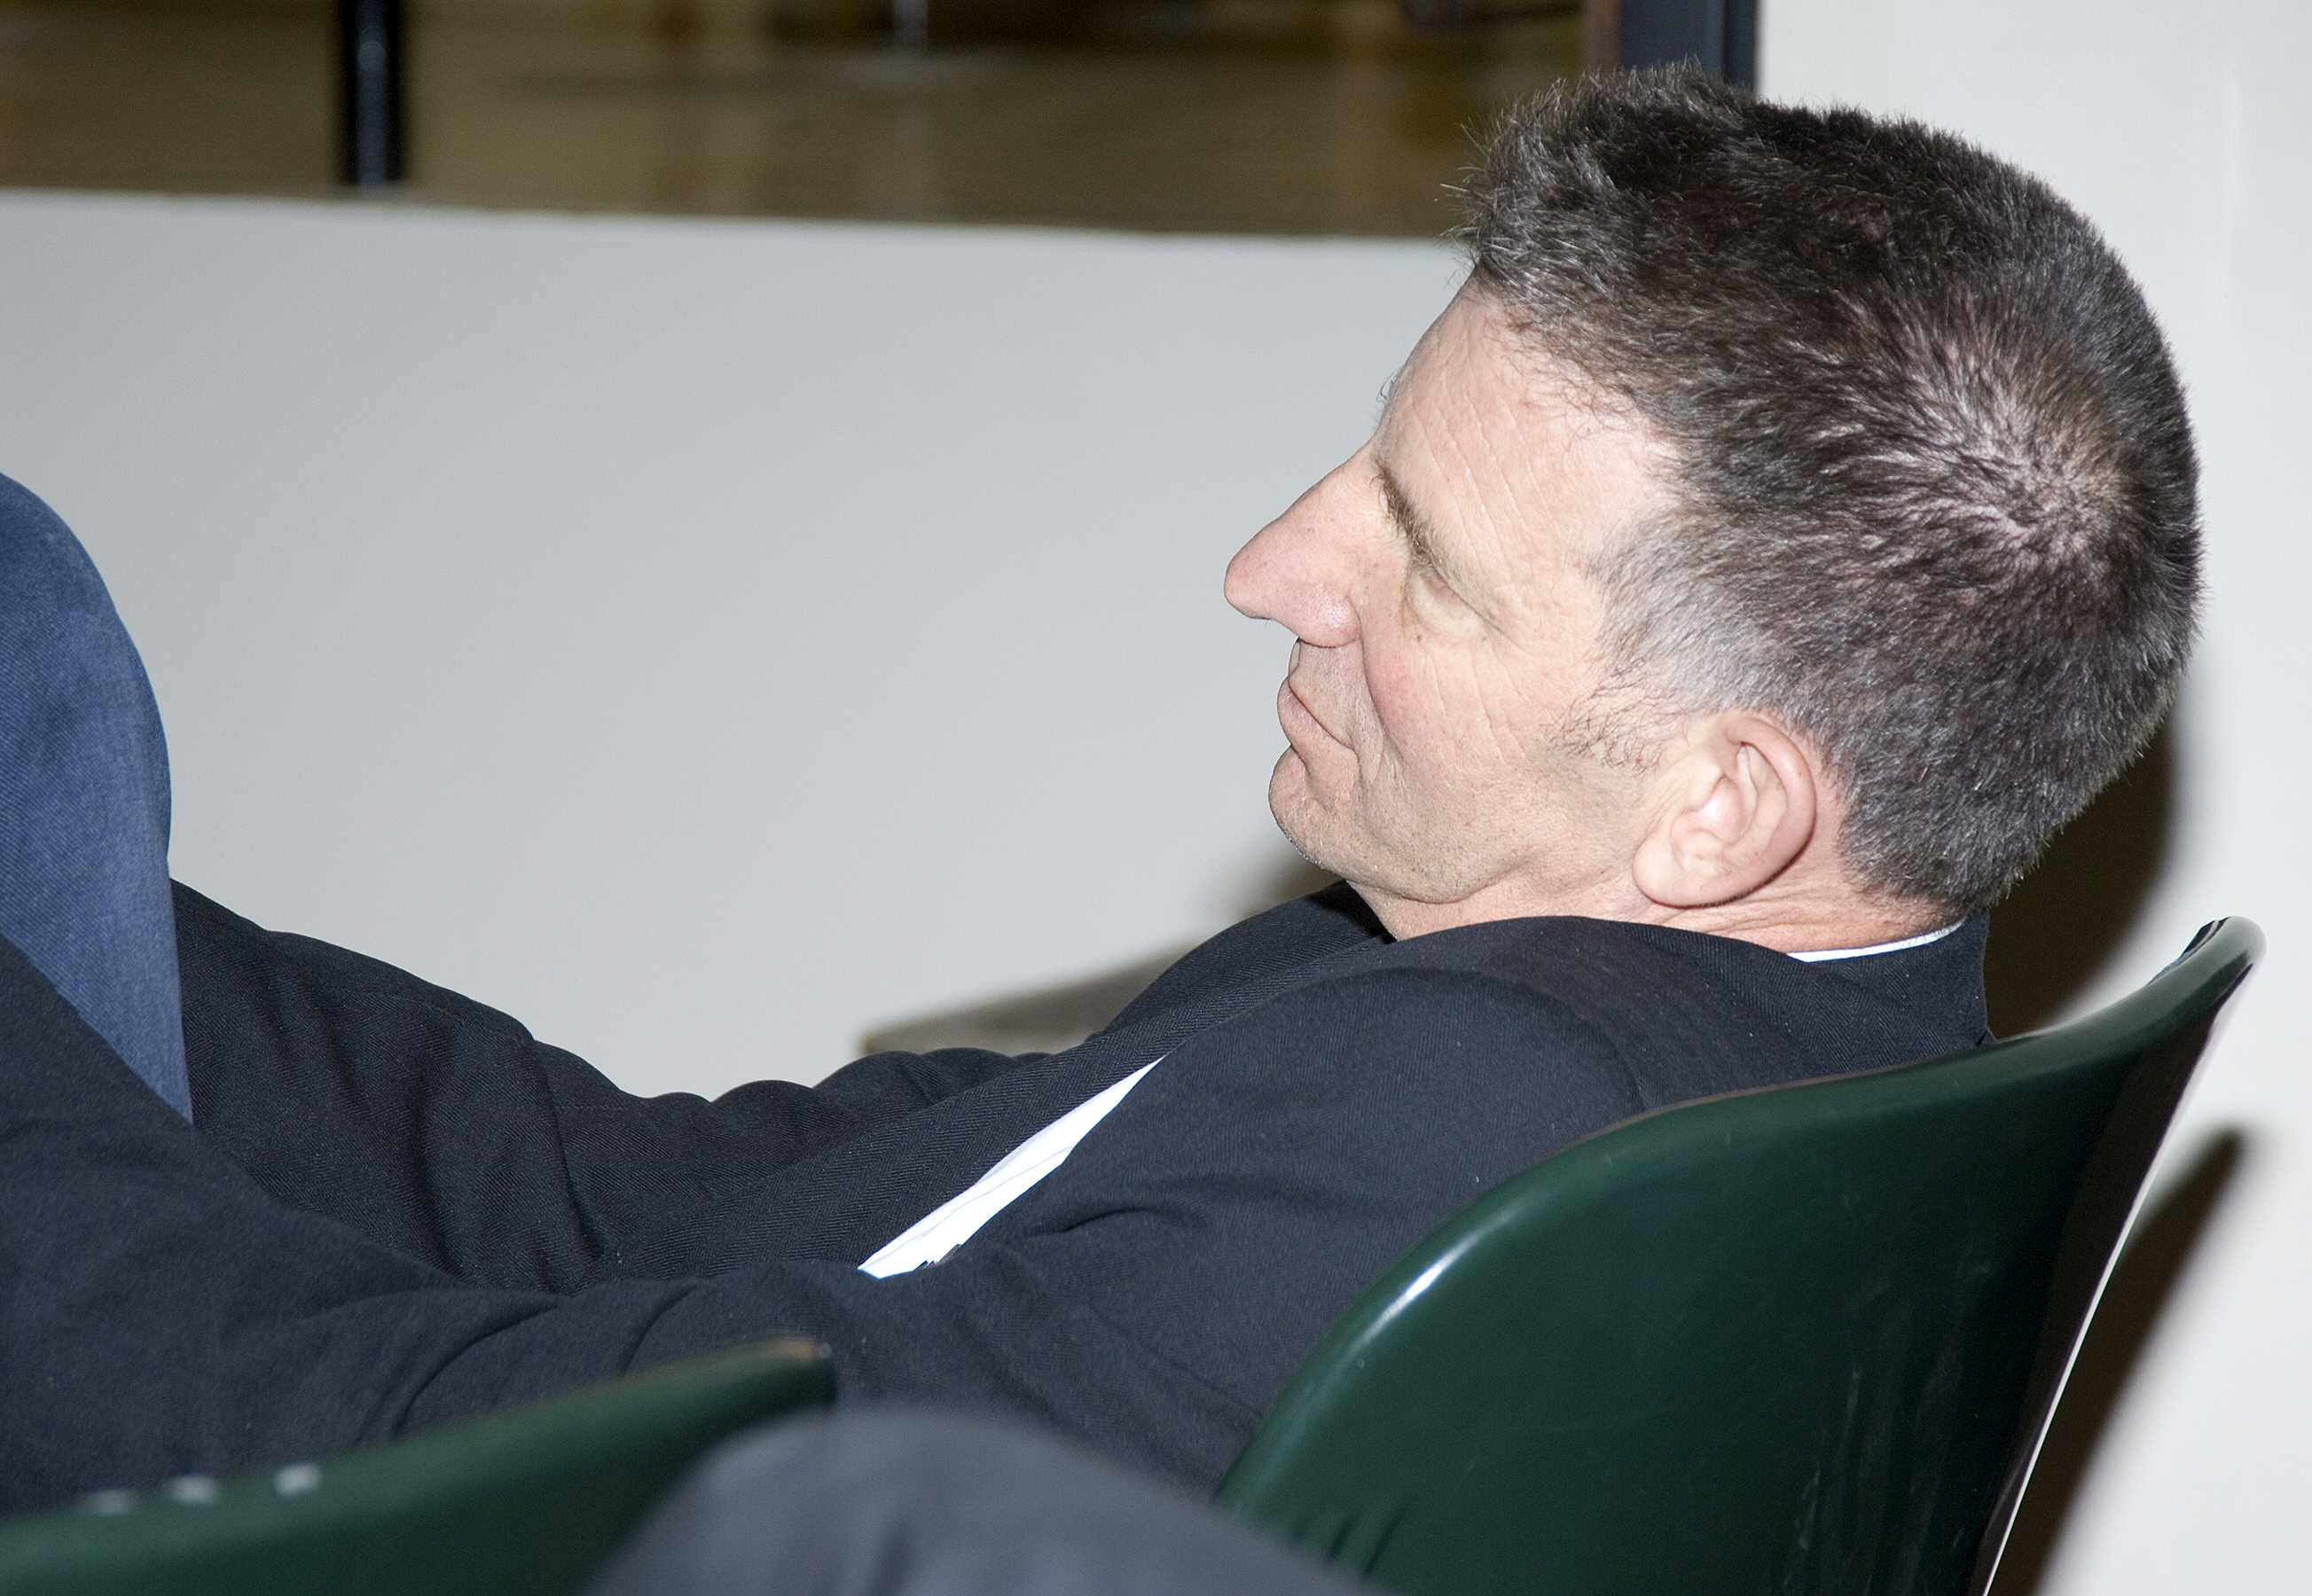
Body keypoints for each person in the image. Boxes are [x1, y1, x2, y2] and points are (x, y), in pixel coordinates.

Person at [0, 66, 2198, 1514]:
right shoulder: (1721, 1038)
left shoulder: (1470, 1138)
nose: (1269, 570)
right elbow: (660, 1207)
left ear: (1722, 809)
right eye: (1363, 467)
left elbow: (453, 1481)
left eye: (1420, 562)